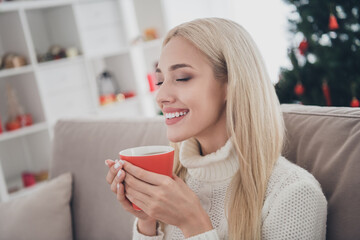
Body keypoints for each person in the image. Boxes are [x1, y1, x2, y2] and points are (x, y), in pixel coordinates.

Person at [105, 18, 327, 240]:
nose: (161, 97)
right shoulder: (172, 184)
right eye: (161, 81)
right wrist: (147, 221)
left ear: (232, 84)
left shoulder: (294, 193)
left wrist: (193, 223)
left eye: (182, 78)